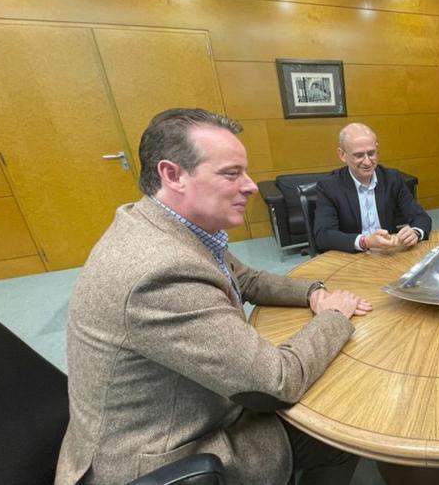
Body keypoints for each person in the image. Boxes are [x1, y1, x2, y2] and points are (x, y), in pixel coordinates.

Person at [55, 108, 372, 485]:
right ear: (173, 175)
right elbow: (276, 382)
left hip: (172, 413)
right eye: (231, 173)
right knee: (339, 433)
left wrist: (313, 291)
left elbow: (247, 279)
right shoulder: (159, 273)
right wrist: (334, 316)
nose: (252, 185)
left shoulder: (164, 226)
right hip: (167, 454)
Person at [314, 122, 432, 253]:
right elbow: (323, 236)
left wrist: (415, 232)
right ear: (342, 155)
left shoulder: (392, 179)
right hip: (351, 258)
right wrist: (365, 241)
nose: (367, 162)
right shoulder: (329, 186)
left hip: (388, 254)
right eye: (359, 156)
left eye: (371, 153)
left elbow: (421, 217)